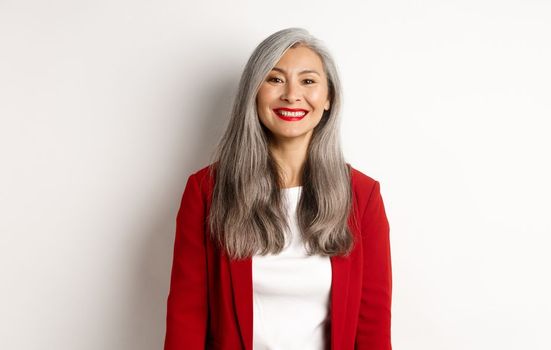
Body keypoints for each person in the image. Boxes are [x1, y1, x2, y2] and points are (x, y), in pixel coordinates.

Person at [163, 27, 392, 350]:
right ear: (253, 93)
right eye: (275, 79)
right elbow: (186, 317)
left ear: (328, 99)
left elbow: (373, 326)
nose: (291, 95)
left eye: (308, 81)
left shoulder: (362, 196)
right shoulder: (206, 191)